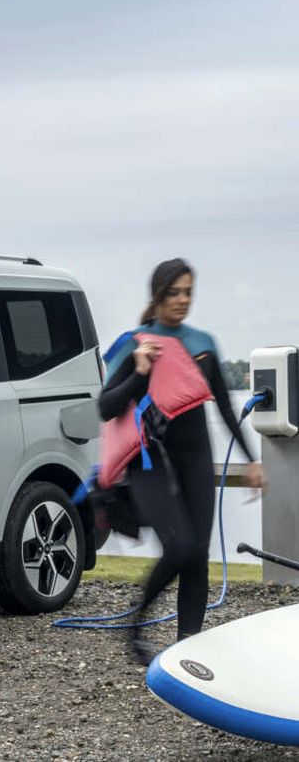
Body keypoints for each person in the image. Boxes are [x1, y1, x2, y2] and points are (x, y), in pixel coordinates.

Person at [98, 258, 264, 665]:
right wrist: (140, 370)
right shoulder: (136, 343)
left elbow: (225, 409)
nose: (182, 300)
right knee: (178, 546)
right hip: (149, 461)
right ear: (157, 295)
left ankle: (188, 650)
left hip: (195, 459)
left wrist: (252, 460)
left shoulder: (202, 343)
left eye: (188, 292)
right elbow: (105, 408)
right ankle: (135, 628)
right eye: (174, 292)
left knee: (197, 556)